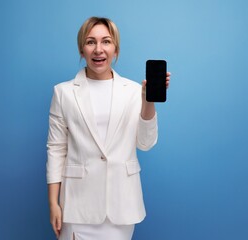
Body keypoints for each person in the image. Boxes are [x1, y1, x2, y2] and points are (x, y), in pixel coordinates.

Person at [46, 16, 171, 240]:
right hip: (77, 207)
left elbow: (145, 143)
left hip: (121, 207)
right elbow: (56, 149)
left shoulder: (133, 91)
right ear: (81, 49)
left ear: (116, 50)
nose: (98, 49)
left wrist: (147, 101)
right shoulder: (63, 92)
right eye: (90, 42)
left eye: (106, 41)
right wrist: (53, 203)